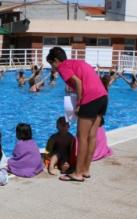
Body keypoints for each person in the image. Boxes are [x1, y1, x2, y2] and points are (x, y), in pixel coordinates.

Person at [47, 46, 108, 182]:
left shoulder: (63, 67)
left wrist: (79, 103)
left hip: (90, 99)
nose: (53, 68)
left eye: (52, 64)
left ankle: (78, 173)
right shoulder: (76, 63)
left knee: (82, 136)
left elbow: (79, 83)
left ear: (56, 60)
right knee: (92, 136)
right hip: (103, 97)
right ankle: (85, 170)